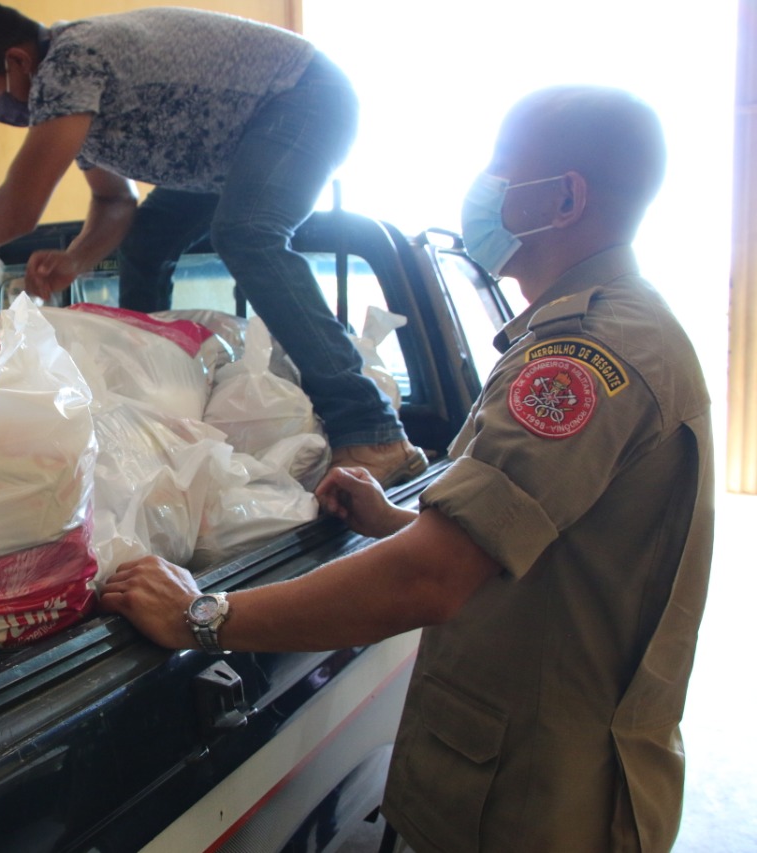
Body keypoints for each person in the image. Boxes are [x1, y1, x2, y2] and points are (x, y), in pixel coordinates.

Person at [98, 85, 714, 853]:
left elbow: (432, 578)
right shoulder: (599, 326)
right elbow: (544, 537)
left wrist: (204, 616)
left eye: (500, 169)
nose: (483, 190)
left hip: (544, 801)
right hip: (513, 777)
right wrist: (396, 520)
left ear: (563, 197)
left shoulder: (587, 353)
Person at [0, 1, 426, 487]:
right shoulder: (71, 97)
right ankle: (158, 385)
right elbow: (115, 203)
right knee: (149, 240)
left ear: (19, 62)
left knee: (247, 234)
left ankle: (369, 425)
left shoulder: (71, 63)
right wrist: (76, 259)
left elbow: (17, 207)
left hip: (301, 98)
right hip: (235, 144)